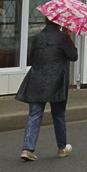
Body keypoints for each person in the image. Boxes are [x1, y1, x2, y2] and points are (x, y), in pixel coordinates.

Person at [16, 19, 77, 161]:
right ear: (59, 23)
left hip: (36, 78)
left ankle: (27, 149)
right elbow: (73, 56)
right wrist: (69, 39)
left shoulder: (37, 37)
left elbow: (32, 57)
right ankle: (61, 148)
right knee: (58, 114)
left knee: (34, 114)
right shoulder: (63, 38)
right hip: (56, 80)